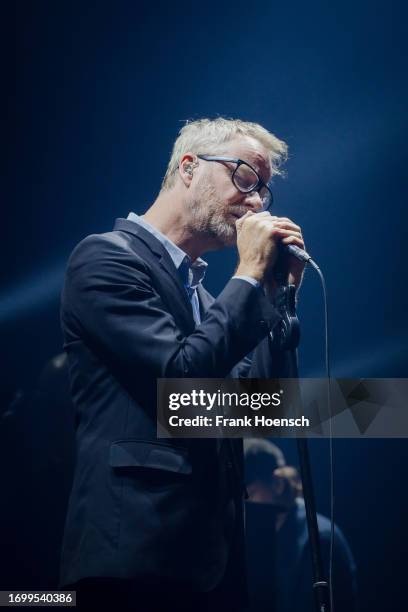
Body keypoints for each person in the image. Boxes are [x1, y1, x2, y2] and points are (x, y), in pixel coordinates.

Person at [59, 117, 306, 611]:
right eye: (245, 179)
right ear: (189, 168)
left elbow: (260, 411)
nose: (257, 202)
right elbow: (181, 379)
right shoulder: (105, 259)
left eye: (264, 192)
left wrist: (277, 295)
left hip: (210, 566)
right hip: (133, 558)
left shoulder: (215, 299)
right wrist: (251, 276)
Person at [244, 438, 358, 612]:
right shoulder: (268, 534)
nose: (246, 504)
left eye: (250, 493)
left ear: (278, 484)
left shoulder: (319, 539)